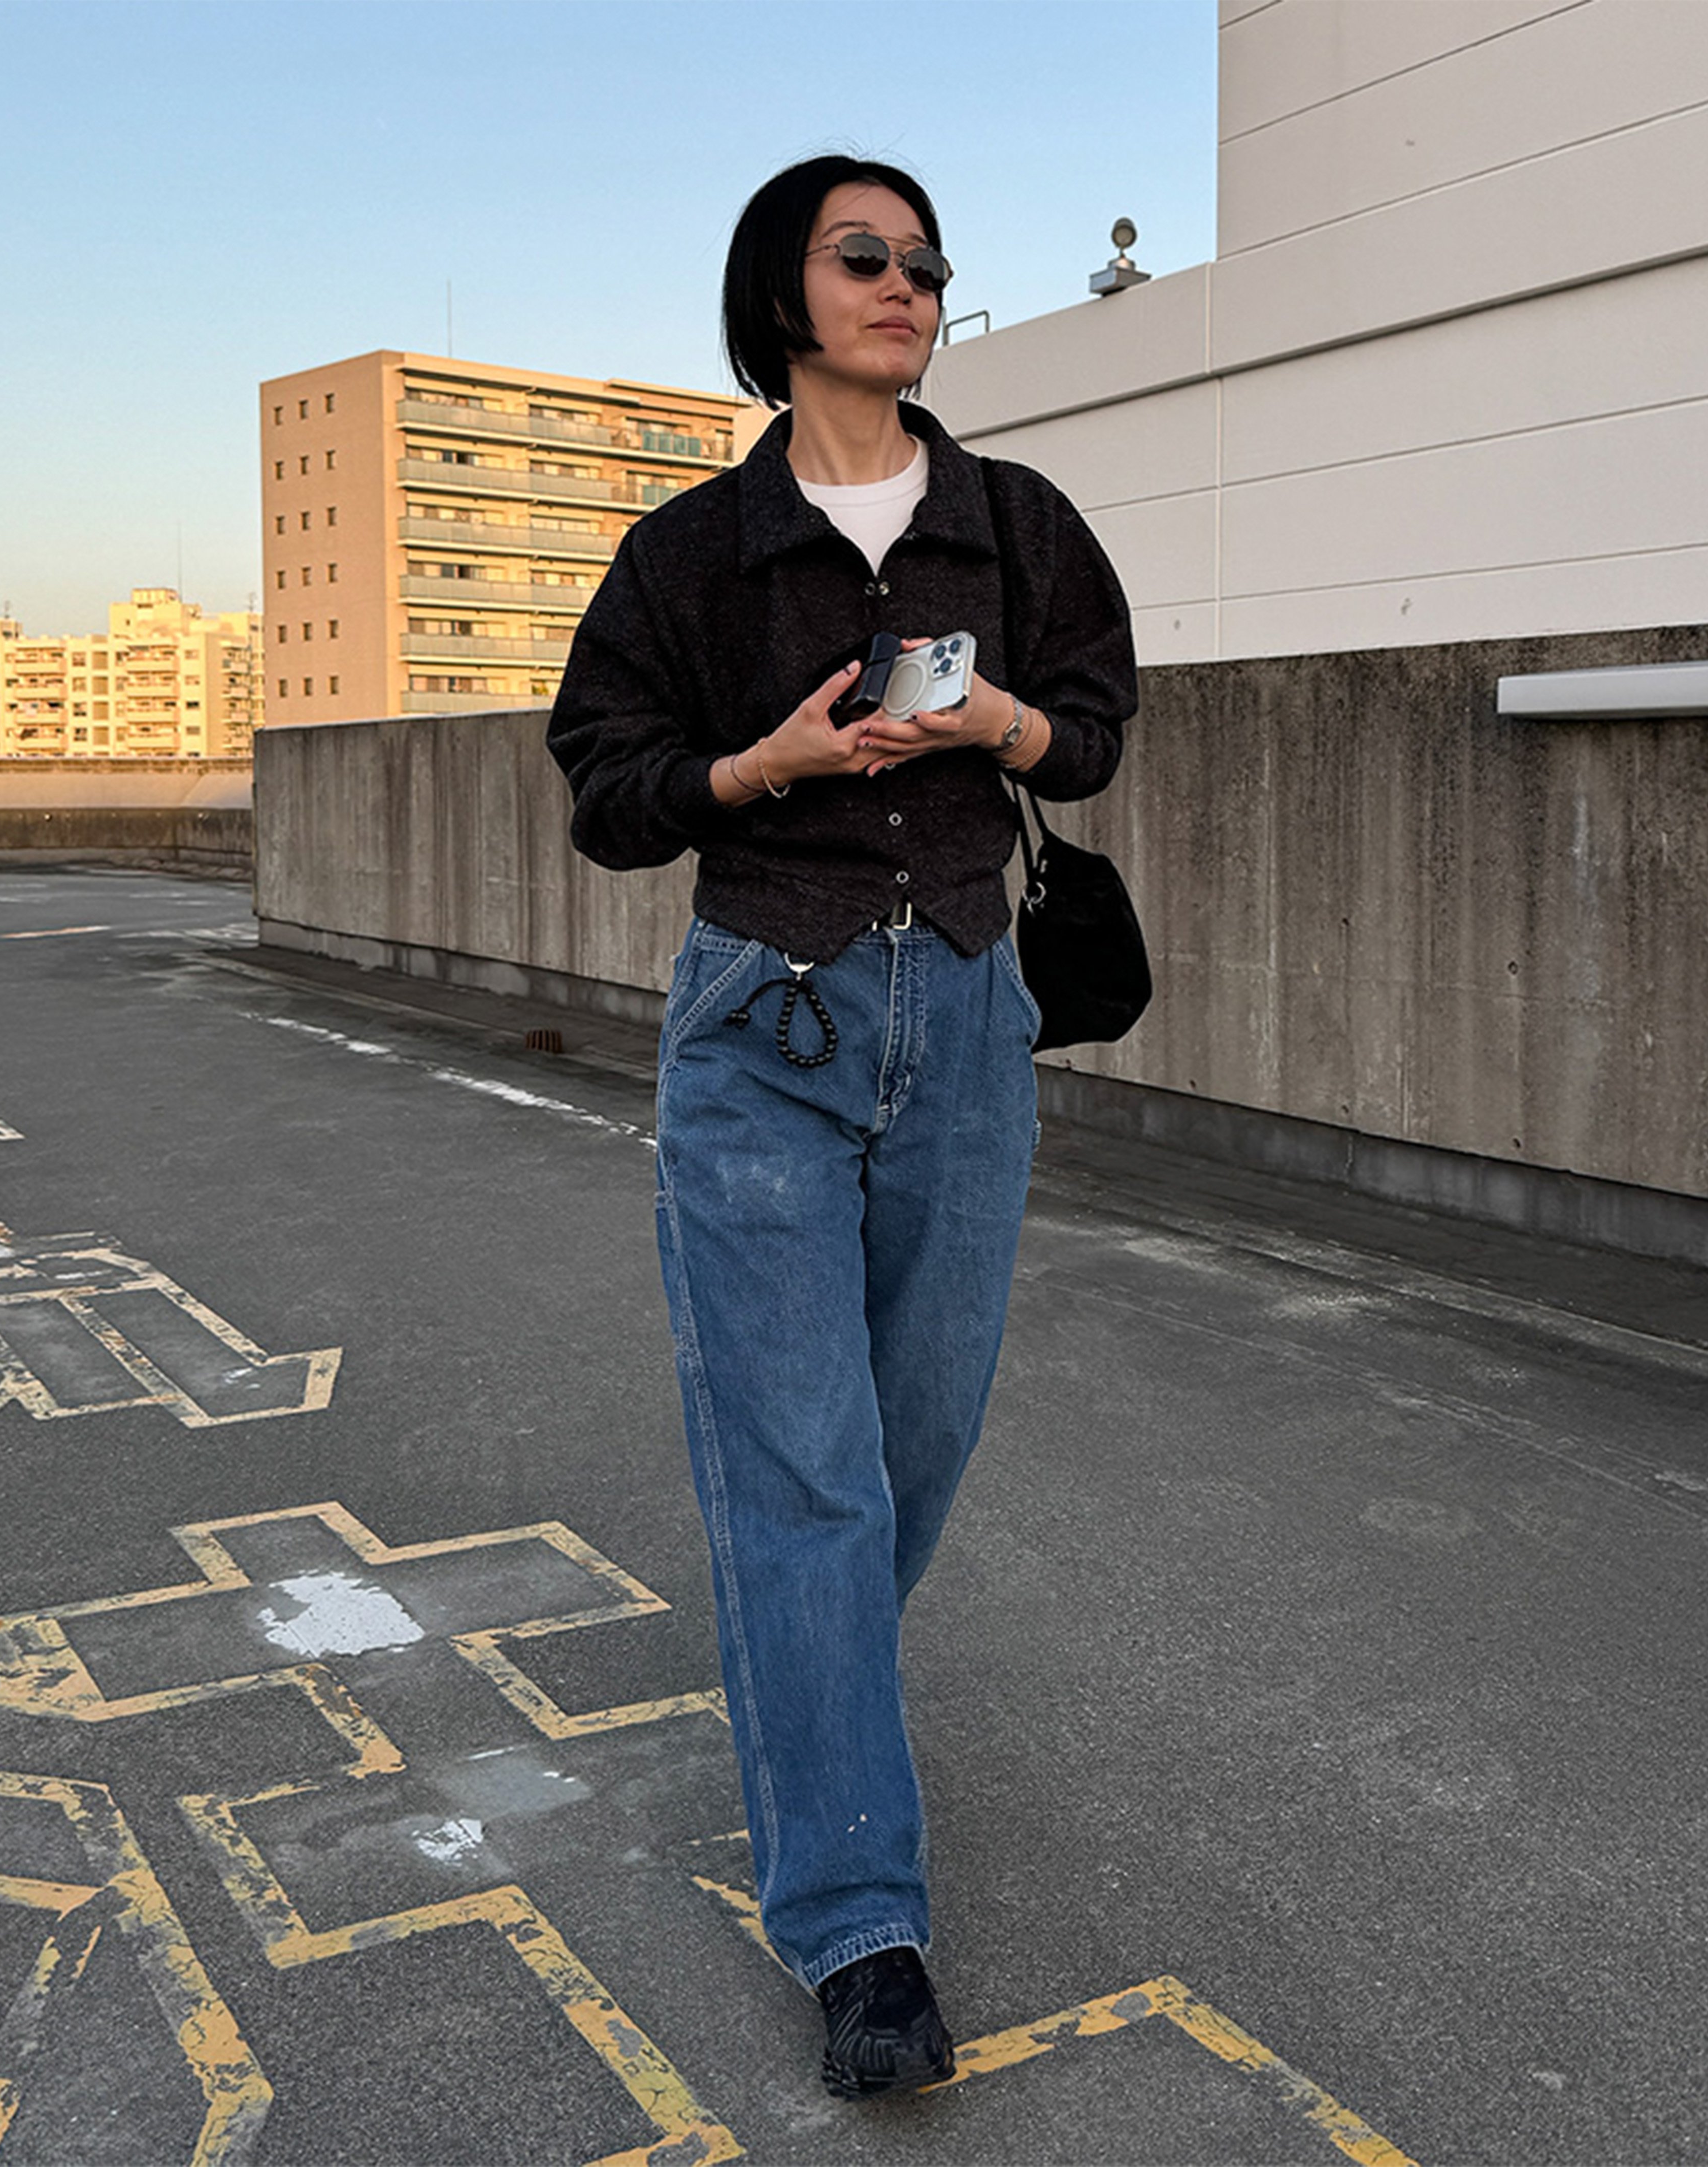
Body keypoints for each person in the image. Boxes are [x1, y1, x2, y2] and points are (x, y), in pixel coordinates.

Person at [546, 153, 1137, 2098]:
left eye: (927, 262)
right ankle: (860, 1925)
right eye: (864, 255)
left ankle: (807, 1701)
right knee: (803, 1476)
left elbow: (1092, 731)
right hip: (764, 1021)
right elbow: (607, 786)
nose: (908, 285)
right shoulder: (691, 554)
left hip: (964, 1009)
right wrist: (759, 763)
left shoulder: (1015, 522)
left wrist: (997, 728)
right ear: (779, 297)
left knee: (909, 1450)